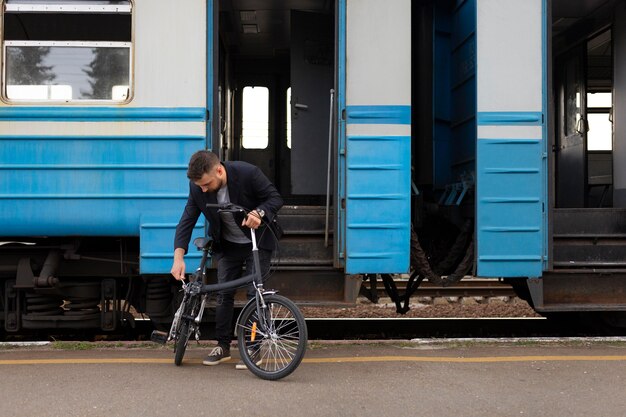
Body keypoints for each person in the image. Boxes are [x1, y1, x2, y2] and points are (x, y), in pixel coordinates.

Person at [171, 150, 283, 369]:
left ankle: (253, 346)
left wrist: (259, 212)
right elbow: (187, 220)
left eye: (206, 184)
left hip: (256, 242)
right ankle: (222, 346)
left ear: (219, 170)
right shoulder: (198, 187)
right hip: (228, 245)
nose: (202, 189)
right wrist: (178, 257)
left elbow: (275, 198)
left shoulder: (248, 173)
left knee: (254, 294)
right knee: (223, 294)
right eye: (200, 186)